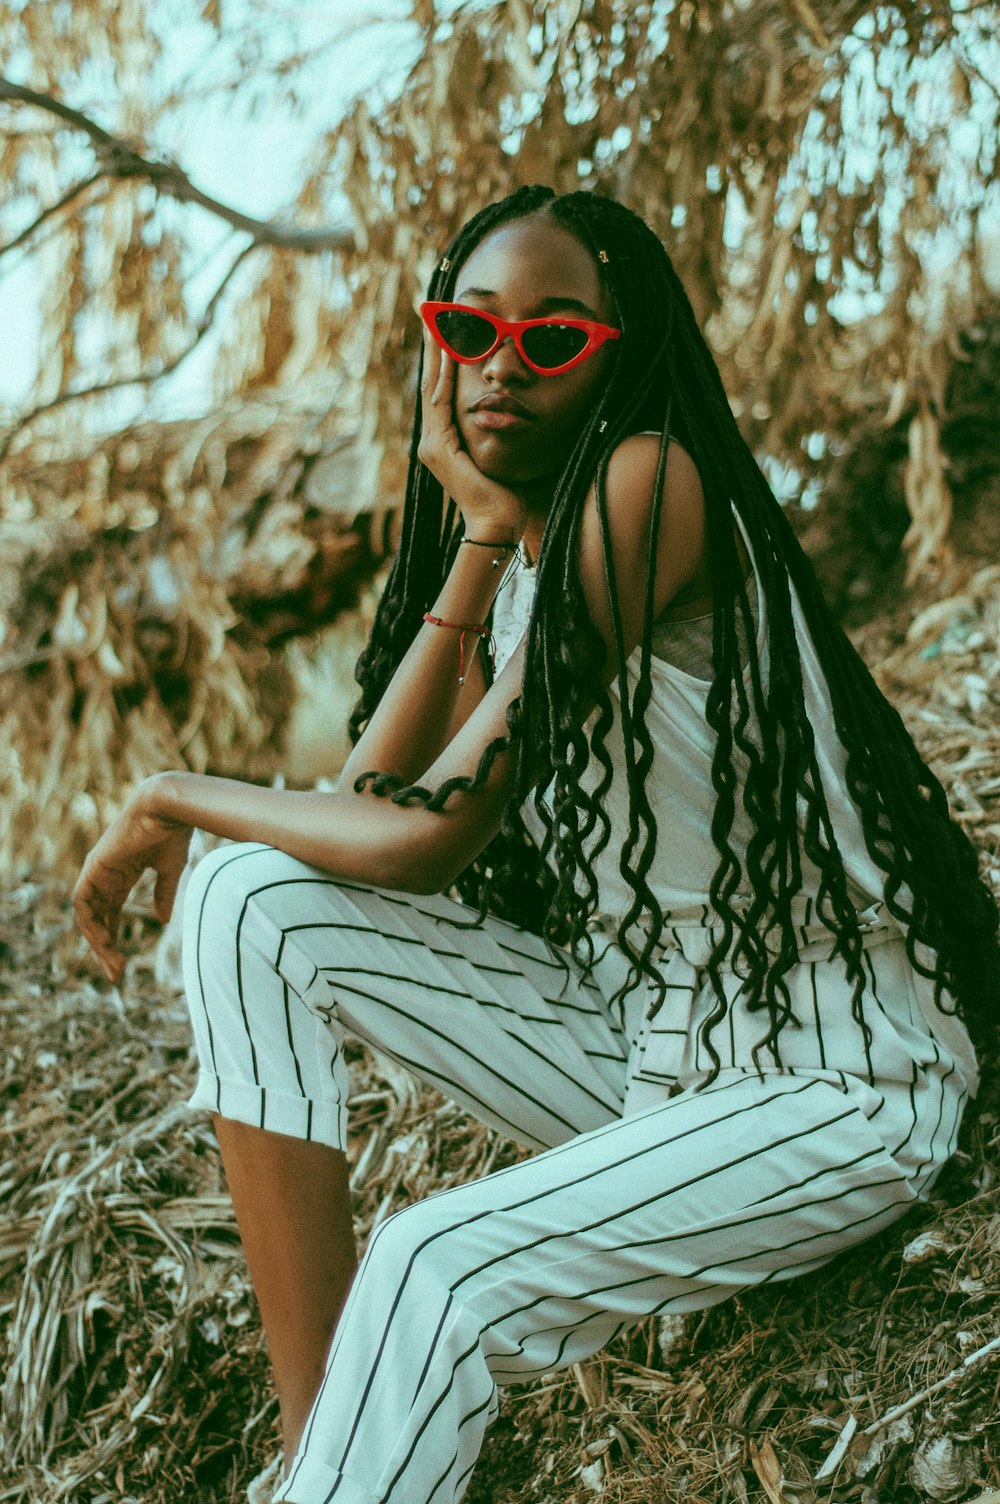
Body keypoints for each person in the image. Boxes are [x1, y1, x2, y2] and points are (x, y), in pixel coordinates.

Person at [73, 185, 998, 1504]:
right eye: (470, 330)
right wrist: (480, 544)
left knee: (432, 1266)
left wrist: (168, 788)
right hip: (659, 1052)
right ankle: (317, 1452)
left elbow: (421, 843)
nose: (503, 366)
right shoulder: (531, 547)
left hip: (833, 1079)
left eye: (553, 338)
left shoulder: (652, 484)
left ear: (619, 356)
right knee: (244, 899)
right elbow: (364, 804)